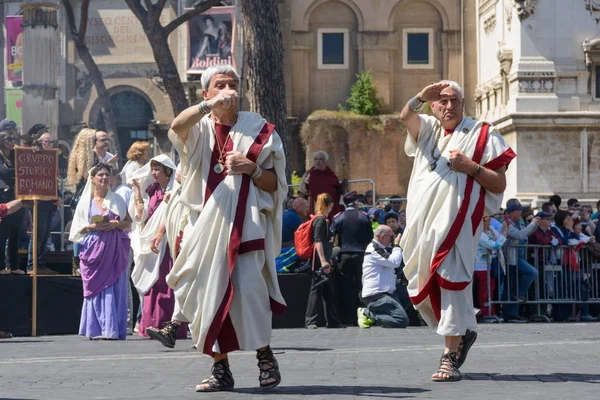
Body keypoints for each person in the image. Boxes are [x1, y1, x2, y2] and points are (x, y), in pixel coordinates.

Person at [165, 64, 286, 392]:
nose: (228, 90)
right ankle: (221, 370)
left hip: (245, 224)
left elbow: (275, 184)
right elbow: (176, 126)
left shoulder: (257, 128)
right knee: (207, 297)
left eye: (232, 84)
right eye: (220, 85)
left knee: (249, 290)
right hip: (203, 228)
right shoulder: (200, 127)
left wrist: (252, 169)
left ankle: (265, 356)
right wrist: (210, 107)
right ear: (206, 93)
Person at [399, 80, 515, 382]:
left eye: (454, 100)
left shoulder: (483, 133)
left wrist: (470, 167)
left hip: (458, 224)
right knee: (422, 289)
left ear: (463, 104)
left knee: (451, 280)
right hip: (421, 228)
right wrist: (420, 96)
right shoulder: (427, 129)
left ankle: (449, 357)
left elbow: (499, 183)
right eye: (441, 101)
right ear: (434, 106)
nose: (448, 106)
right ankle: (462, 332)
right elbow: (405, 117)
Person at [128, 155, 188, 341]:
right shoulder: (152, 191)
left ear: (167, 171)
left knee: (167, 281)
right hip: (154, 243)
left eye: (157, 169)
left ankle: (170, 325)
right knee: (154, 283)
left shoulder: (175, 190)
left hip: (169, 242)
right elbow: (141, 215)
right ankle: (151, 323)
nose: (153, 173)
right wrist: (137, 191)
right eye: (152, 169)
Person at [69, 163, 131, 340]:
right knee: (95, 288)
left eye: (107, 175)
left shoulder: (117, 200)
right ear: (93, 178)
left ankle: (110, 328)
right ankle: (95, 328)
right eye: (100, 175)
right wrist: (91, 226)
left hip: (113, 249)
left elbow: (128, 223)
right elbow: (77, 229)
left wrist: (116, 224)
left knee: (112, 286)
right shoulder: (85, 203)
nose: (104, 178)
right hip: (92, 249)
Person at [330, 191, 374, 326]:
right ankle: (363, 314)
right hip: (361, 255)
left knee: (346, 287)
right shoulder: (364, 217)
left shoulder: (339, 217)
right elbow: (370, 238)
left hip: (344, 255)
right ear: (356, 203)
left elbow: (331, 237)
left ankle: (348, 317)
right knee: (362, 285)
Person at [357, 225, 409, 329]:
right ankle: (367, 313)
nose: (392, 239)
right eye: (391, 236)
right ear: (382, 236)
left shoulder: (380, 249)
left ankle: (374, 315)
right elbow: (394, 262)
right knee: (401, 320)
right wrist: (397, 246)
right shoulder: (374, 249)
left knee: (408, 301)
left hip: (386, 293)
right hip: (376, 295)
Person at [25, 127, 61, 275]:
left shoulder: (52, 159)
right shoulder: (33, 158)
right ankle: (31, 265)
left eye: (51, 142)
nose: (49, 144)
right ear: (39, 143)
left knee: (45, 236)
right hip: (37, 203)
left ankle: (41, 264)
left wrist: (58, 196)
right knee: (37, 235)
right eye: (46, 142)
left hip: (49, 203)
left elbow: (53, 180)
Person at [304, 193, 341, 329]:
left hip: (323, 259)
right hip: (320, 261)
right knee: (317, 290)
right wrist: (324, 260)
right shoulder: (320, 221)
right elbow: (318, 241)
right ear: (329, 204)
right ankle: (310, 321)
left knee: (327, 290)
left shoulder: (322, 219)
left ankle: (332, 321)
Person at [503, 203, 540, 323]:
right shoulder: (507, 223)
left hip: (517, 257)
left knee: (513, 286)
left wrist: (534, 225)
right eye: (519, 211)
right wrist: (533, 223)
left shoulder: (518, 223)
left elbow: (526, 234)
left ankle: (514, 312)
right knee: (531, 273)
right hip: (510, 258)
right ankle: (516, 301)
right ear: (513, 212)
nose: (521, 214)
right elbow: (519, 235)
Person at [0, 119, 26, 275]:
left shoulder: (18, 155)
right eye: (9, 138)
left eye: (14, 138)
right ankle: (1, 266)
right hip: (2, 198)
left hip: (18, 197)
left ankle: (14, 266)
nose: (12, 141)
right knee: (2, 233)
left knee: (17, 231)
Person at [473, 216, 508, 319]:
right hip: (481, 265)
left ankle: (491, 312)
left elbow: (498, 238)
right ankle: (486, 312)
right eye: (487, 219)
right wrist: (505, 233)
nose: (490, 221)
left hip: (489, 264)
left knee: (490, 289)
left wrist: (498, 229)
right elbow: (496, 245)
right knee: (484, 290)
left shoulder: (489, 230)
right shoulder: (479, 234)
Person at [297, 150, 344, 219]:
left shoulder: (331, 175)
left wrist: (342, 187)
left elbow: (338, 192)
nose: (318, 161)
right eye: (316, 159)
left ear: (325, 162)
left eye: (321, 159)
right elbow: (302, 193)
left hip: (330, 209)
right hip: (314, 207)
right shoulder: (308, 175)